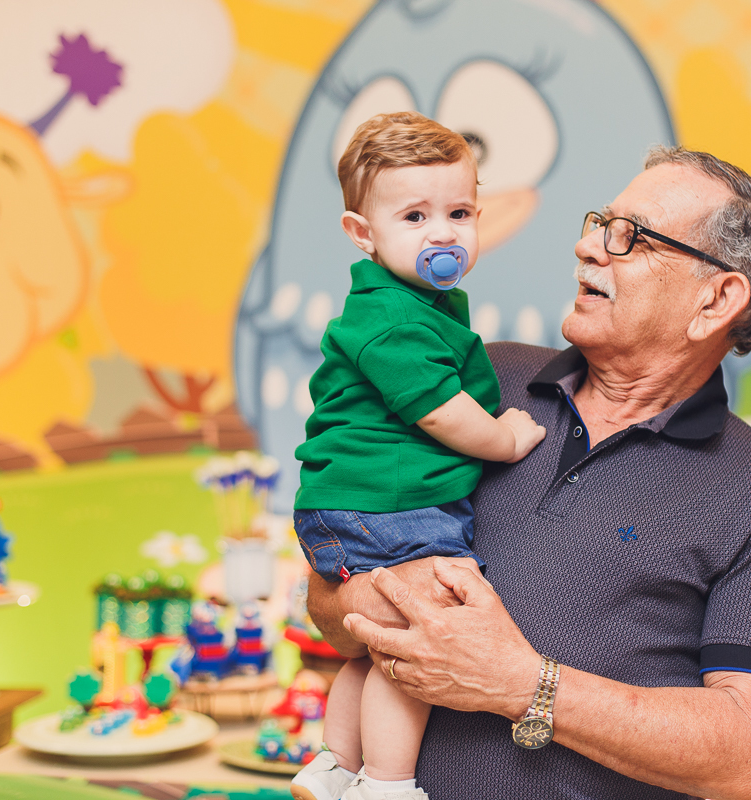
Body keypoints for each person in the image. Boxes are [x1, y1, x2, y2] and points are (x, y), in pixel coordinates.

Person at [306, 145, 751, 800]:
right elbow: (326, 598)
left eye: (631, 237)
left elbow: (749, 757)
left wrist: (521, 683)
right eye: (599, 222)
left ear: (716, 300)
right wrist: (382, 602)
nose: (588, 248)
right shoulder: (472, 384)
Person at [289, 112, 546, 800]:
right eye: (414, 216)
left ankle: (335, 763)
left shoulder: (412, 305)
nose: (443, 232)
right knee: (420, 644)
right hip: (389, 505)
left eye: (459, 211)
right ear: (361, 233)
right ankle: (387, 782)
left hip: (360, 504)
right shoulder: (394, 318)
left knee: (381, 643)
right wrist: (507, 437)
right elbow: (439, 410)